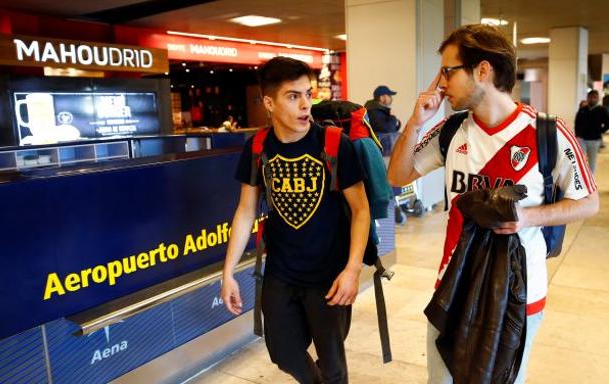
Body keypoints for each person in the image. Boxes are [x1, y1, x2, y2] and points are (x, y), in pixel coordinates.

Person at [387, 24, 599, 384]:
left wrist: (526, 216)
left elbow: (588, 202)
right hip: (452, 290)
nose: (440, 83)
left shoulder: (547, 133)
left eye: (448, 71)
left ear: (482, 71)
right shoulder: (450, 132)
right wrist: (416, 123)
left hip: (519, 295)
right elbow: (398, 176)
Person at [221, 57, 370, 384]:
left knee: (332, 363)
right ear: (269, 103)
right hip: (281, 272)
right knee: (284, 353)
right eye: (293, 96)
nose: (306, 105)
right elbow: (246, 210)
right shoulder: (258, 147)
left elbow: (360, 209)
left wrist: (352, 269)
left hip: (329, 275)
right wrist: (228, 272)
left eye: (308, 94)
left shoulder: (333, 143)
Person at [575, 90, 609, 172]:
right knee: (580, 159)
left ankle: (591, 179)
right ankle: (581, 178)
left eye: (595, 98)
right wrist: (577, 134)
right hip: (582, 139)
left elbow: (608, 123)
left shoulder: (602, 110)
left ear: (598, 99)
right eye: (591, 97)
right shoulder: (583, 109)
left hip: (595, 140)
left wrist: (600, 130)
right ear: (587, 98)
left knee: (592, 161)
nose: (592, 99)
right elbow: (577, 122)